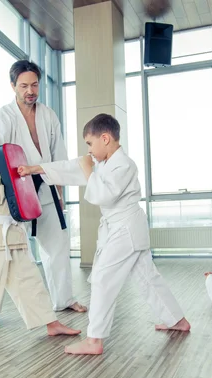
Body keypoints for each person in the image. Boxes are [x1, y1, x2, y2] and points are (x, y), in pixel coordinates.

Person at [18, 113, 190, 355]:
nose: (88, 150)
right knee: (147, 277)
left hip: (125, 229)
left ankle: (94, 340)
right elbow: (70, 167)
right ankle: (177, 321)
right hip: (124, 229)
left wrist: (88, 169)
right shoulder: (102, 163)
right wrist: (35, 169)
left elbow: (103, 195)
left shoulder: (124, 165)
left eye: (90, 143)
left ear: (105, 139)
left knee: (102, 279)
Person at [0, 119, 80, 353]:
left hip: (12, 234)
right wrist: (5, 175)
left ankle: (51, 323)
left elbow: (15, 193)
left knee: (29, 280)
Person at [0, 60, 86, 313]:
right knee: (5, 251)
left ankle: (63, 300)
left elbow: (59, 156)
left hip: (46, 186)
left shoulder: (48, 114)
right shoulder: (4, 116)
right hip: (16, 191)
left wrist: (60, 193)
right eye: (23, 86)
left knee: (57, 245)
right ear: (13, 86)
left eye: (34, 85)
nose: (30, 91)